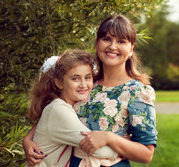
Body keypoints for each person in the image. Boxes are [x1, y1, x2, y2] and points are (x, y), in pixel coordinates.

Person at [23, 14, 158, 167]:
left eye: (121, 41)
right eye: (106, 39)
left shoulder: (138, 92)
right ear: (97, 43)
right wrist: (28, 140)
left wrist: (109, 138)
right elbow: (53, 115)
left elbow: (146, 154)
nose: (113, 46)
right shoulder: (86, 84)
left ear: (131, 49)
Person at [23, 49, 121, 167]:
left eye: (88, 77)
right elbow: (96, 149)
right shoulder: (59, 110)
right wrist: (127, 146)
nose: (83, 85)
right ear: (59, 83)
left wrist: (27, 139)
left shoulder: (65, 107)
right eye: (75, 78)